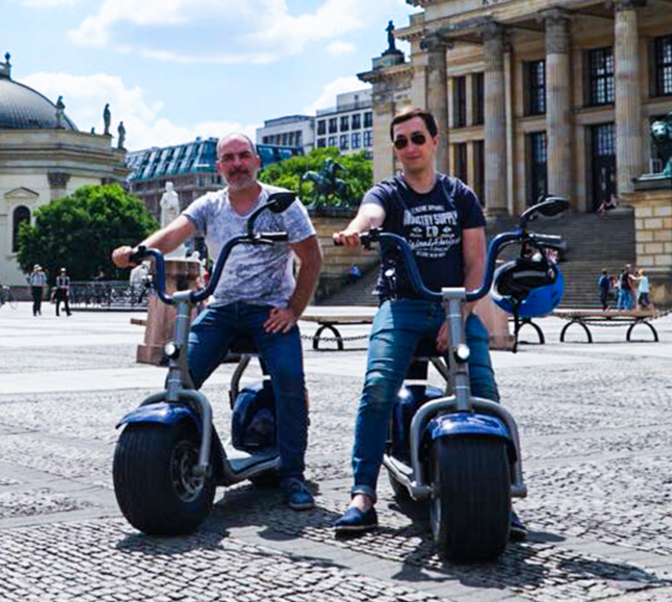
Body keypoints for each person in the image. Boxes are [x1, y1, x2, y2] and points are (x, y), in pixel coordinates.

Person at [331, 106, 523, 538]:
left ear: (435, 142)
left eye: (418, 138)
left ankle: (502, 494)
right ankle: (362, 494)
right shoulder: (389, 192)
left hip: (455, 305)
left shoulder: (460, 196)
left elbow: (476, 263)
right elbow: (371, 214)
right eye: (401, 142)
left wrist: (464, 310)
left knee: (485, 390)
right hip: (402, 304)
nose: (410, 147)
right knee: (378, 386)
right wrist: (356, 230)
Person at [112, 132, 323, 512]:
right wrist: (139, 250)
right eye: (229, 158)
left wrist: (293, 310)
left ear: (257, 161)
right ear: (219, 167)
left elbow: (312, 258)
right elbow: (175, 230)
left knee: (289, 380)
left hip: (269, 308)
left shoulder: (282, 204)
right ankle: (192, 451)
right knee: (180, 374)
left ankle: (293, 474)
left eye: (244, 156)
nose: (237, 164)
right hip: (223, 308)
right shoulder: (210, 204)